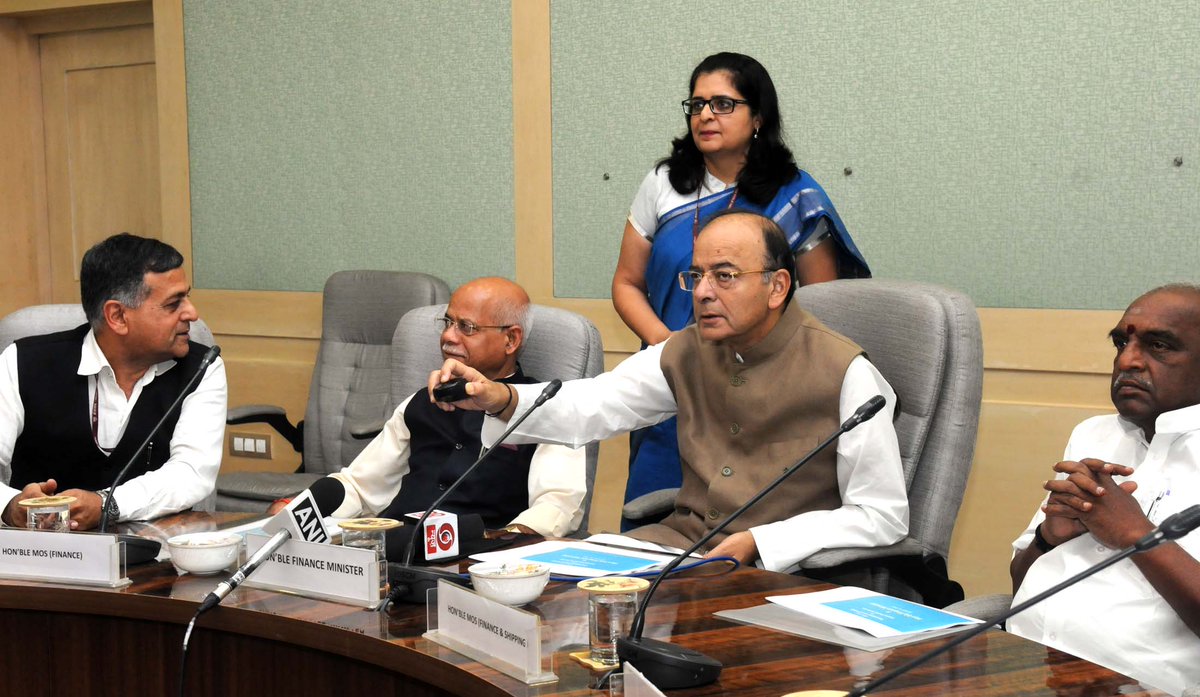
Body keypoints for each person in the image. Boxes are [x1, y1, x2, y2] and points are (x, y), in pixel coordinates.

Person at [433, 212, 906, 573]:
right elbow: (593, 405)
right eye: (696, 276)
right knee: (530, 582)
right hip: (676, 552)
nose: (701, 292)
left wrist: (764, 542)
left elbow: (881, 515)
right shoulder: (686, 350)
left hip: (779, 574)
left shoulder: (847, 373)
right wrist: (500, 398)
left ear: (777, 286)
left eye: (724, 276)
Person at [611, 52, 871, 529]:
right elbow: (627, 283)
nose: (706, 115)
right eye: (697, 104)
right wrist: (668, 347)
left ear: (758, 117)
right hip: (673, 379)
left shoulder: (795, 195)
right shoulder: (662, 184)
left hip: (761, 397)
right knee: (655, 539)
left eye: (724, 104)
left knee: (737, 535)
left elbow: (822, 305)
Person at [276, 277, 586, 538]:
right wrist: (295, 515)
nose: (449, 337)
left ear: (510, 340)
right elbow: (358, 486)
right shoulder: (422, 400)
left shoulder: (544, 408)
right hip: (395, 553)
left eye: (467, 327)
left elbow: (557, 505)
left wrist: (503, 543)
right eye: (448, 322)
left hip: (477, 566)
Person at [1008, 284, 1200, 695]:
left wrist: (1137, 534)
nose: (1127, 361)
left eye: (1159, 346)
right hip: (1028, 663)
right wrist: (1048, 538)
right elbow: (1019, 582)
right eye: (1121, 342)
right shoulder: (1094, 435)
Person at [0, 233, 227, 530]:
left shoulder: (202, 368)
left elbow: (190, 473)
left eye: (187, 297)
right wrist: (10, 506)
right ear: (117, 316)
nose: (192, 313)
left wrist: (108, 505)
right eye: (173, 304)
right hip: (39, 556)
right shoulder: (22, 361)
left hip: (153, 555)